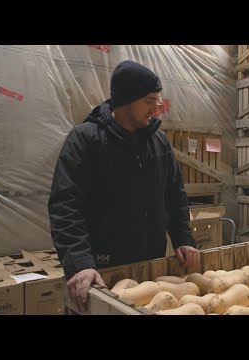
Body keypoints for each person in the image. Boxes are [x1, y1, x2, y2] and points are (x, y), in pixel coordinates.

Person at [48, 60, 200, 312]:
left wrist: (183, 238)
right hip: (100, 271)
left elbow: (175, 195)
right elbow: (66, 206)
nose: (156, 108)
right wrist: (79, 263)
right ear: (127, 99)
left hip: (149, 269)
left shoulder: (159, 142)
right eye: (149, 100)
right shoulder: (86, 140)